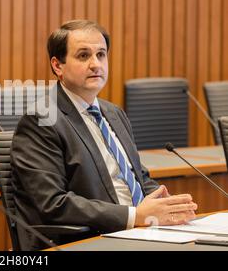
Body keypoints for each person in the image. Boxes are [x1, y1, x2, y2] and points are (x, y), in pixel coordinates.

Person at [10, 20, 198, 250]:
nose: (95, 64)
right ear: (58, 66)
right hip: (90, 239)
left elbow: (139, 177)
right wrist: (134, 215)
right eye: (83, 56)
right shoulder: (42, 120)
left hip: (140, 233)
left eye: (101, 54)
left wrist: (167, 206)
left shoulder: (113, 113)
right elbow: (53, 203)